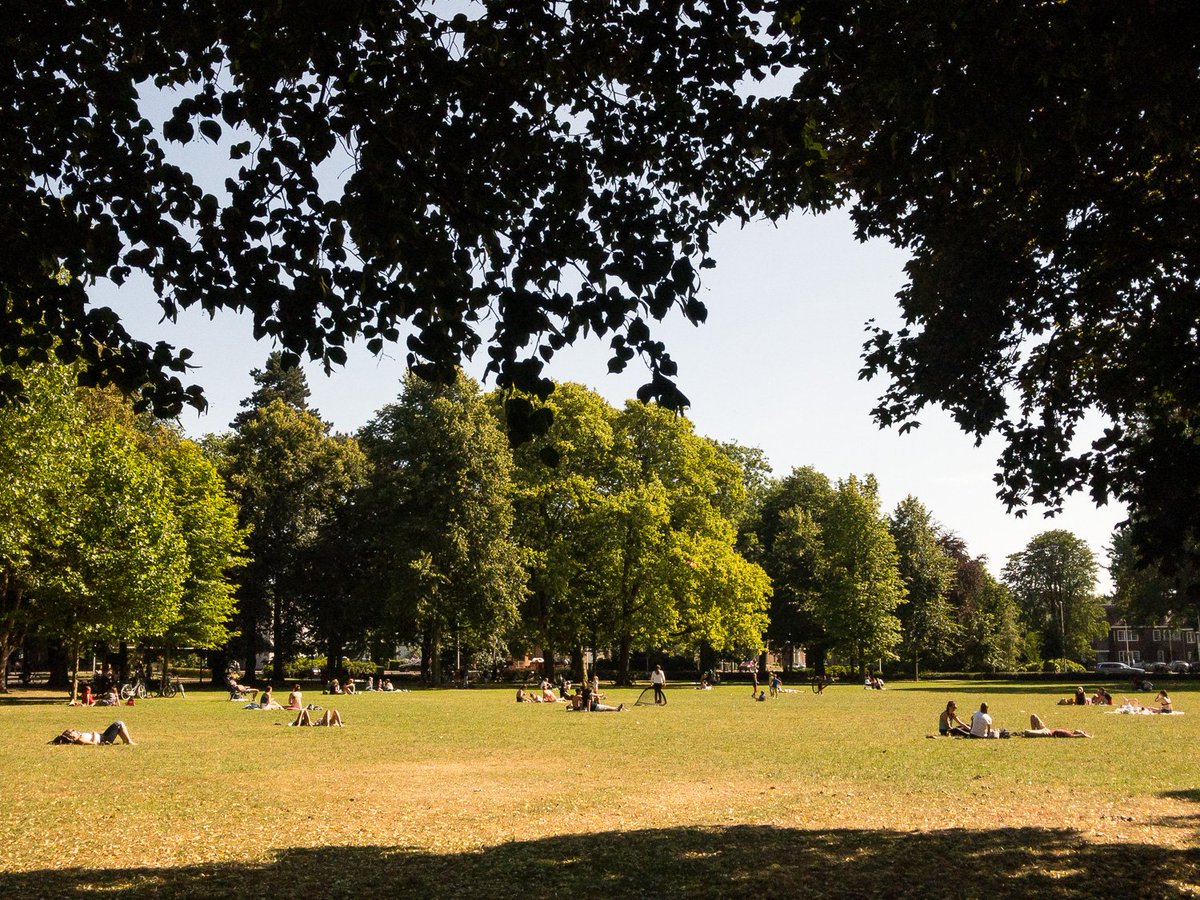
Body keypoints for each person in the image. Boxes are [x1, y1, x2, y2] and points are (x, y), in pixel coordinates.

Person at [51, 721, 135, 745]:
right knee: (119, 723)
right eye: (72, 731)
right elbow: (94, 743)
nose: (74, 730)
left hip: (103, 736)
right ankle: (128, 741)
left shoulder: (80, 736)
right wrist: (94, 734)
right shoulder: (80, 740)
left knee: (118, 725)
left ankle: (126, 740)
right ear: (70, 736)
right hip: (104, 739)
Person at [1022, 714, 1092, 738]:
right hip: (1046, 729)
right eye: (1080, 730)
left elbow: (1080, 736)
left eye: (1080, 731)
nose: (1079, 730)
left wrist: (1085, 735)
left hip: (1047, 734)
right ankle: (1035, 732)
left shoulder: (1070, 735)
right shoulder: (1069, 731)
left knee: (1026, 732)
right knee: (1033, 716)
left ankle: (1033, 733)